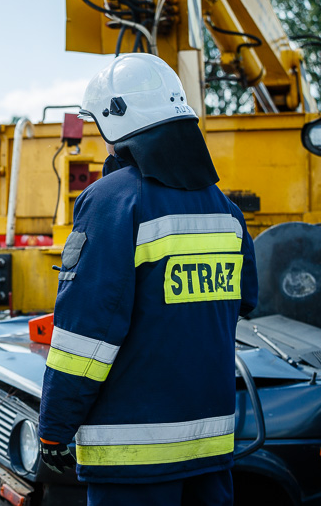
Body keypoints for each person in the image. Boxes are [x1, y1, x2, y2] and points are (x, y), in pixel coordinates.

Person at [37, 53, 258, 506]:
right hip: (211, 450)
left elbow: (86, 334)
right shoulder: (226, 211)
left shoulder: (112, 202)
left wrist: (54, 429)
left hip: (133, 459)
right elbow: (244, 302)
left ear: (114, 124)